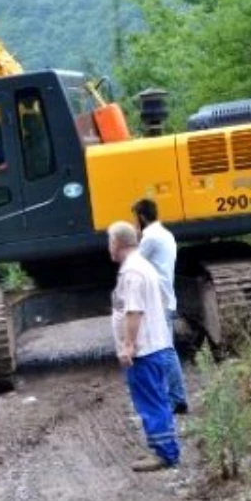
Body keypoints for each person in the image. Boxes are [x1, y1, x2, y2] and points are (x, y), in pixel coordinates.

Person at [108, 221, 181, 472]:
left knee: (151, 402)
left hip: (145, 350)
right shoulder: (142, 265)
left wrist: (128, 346)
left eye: (110, 242)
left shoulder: (133, 273)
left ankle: (165, 454)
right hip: (155, 347)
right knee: (157, 399)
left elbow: (134, 311)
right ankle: (166, 448)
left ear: (116, 244)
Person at [132, 198, 189, 415]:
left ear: (142, 217)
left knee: (165, 350)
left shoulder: (150, 237)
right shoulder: (165, 234)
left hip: (157, 301)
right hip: (163, 297)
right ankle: (172, 396)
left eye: (135, 218)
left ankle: (177, 399)